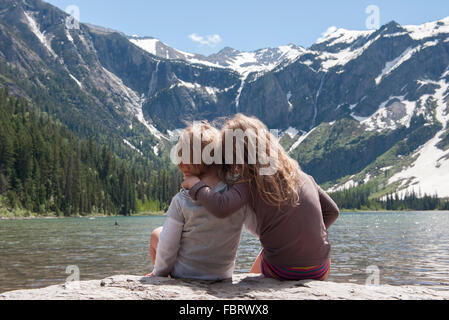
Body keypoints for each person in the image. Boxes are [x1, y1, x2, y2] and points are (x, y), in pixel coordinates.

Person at [182, 114, 340, 281]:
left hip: (283, 270)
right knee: (270, 251)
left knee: (270, 254)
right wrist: (307, 239)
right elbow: (333, 211)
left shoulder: (250, 179)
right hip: (321, 268)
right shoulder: (301, 175)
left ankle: (252, 280)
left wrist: (195, 185)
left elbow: (221, 207)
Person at [147, 122, 255, 280]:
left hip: (184, 275)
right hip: (222, 276)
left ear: (186, 164)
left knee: (156, 234)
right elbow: (257, 229)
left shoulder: (181, 200)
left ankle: (163, 279)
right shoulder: (235, 197)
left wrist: (159, 272)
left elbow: (168, 246)